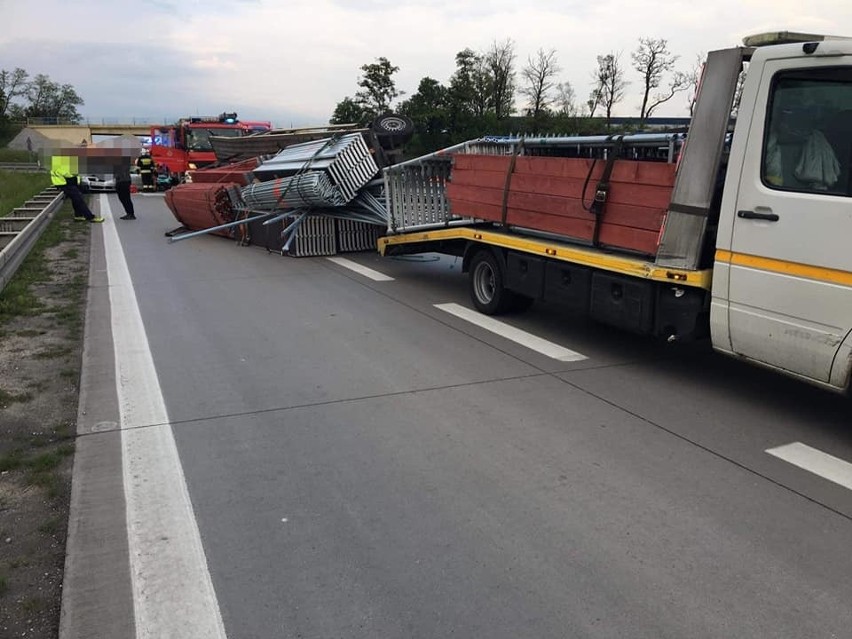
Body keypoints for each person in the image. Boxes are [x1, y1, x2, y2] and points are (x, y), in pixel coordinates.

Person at [50, 153, 104, 223]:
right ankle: (90, 217)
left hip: (65, 184)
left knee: (77, 199)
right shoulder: (61, 163)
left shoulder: (59, 162)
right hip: (65, 185)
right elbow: (67, 174)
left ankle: (78, 216)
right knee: (79, 200)